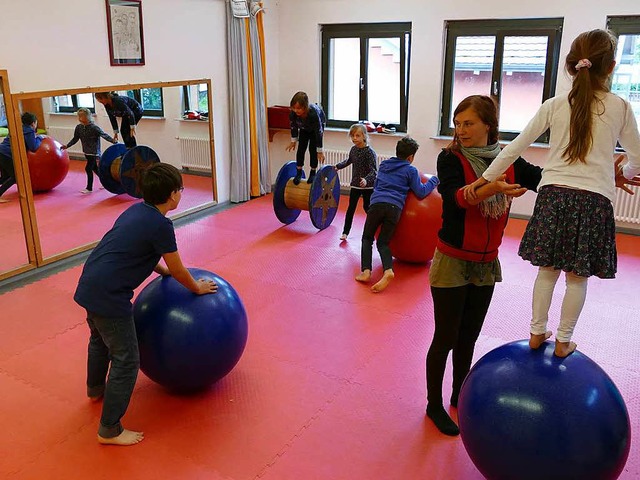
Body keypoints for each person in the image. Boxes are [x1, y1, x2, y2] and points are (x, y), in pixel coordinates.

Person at [464, 29, 640, 358]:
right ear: (612, 67)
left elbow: (514, 147)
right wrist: (621, 173)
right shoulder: (620, 107)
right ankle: (563, 341)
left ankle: (535, 332)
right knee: (577, 276)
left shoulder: (556, 105)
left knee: (547, 271)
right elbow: (638, 158)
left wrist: (483, 178)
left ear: (573, 66)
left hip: (554, 195)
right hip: (593, 199)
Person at [73, 163, 218, 446]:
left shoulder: (138, 211)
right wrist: (197, 288)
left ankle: (94, 390)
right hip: (110, 297)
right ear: (173, 195)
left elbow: (138, 250)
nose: (181, 193)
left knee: (99, 341)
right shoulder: (161, 224)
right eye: (181, 189)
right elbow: (178, 268)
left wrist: (161, 271)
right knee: (127, 360)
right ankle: (109, 430)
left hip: (90, 284)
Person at [426, 95, 543, 436]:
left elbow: (546, 180)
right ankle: (434, 405)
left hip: (486, 264)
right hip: (452, 260)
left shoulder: (509, 160)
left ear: (488, 125)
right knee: (445, 337)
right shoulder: (449, 159)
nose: (460, 130)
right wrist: (487, 187)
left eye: (469, 123)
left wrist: (591, 174)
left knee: (468, 338)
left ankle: (459, 395)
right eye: (457, 124)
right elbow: (454, 198)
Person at [357, 136, 439, 293]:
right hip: (394, 208)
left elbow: (378, 185)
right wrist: (434, 180)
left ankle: (366, 271)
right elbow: (421, 192)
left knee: (367, 238)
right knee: (383, 243)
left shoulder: (384, 165)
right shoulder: (410, 170)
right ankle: (388, 270)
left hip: (376, 205)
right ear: (411, 157)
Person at [334, 124, 378, 241]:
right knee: (351, 209)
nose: (354, 138)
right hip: (355, 184)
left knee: (367, 208)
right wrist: (338, 166)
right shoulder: (353, 150)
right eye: (352, 136)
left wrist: (366, 180)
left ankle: (373, 231)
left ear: (364, 136)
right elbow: (348, 161)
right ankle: (345, 232)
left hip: (368, 186)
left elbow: (374, 171)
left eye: (357, 136)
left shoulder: (370, 152)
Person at [61, 107, 117, 194]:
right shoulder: (79, 128)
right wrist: (67, 146)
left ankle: (89, 188)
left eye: (82, 116)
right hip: (86, 151)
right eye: (79, 116)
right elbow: (75, 139)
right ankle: (105, 182)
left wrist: (113, 141)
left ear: (88, 116)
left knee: (88, 168)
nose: (80, 118)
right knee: (95, 168)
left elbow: (104, 135)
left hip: (94, 152)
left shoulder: (94, 128)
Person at [0, 112, 43, 202]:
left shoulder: (17, 127)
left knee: (5, 177)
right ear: (33, 123)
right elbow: (33, 147)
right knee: (16, 177)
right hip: (7, 154)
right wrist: (40, 138)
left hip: (1, 151)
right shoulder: (29, 130)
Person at [285, 91, 326, 185]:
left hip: (316, 129)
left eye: (299, 108)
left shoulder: (313, 114)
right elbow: (293, 127)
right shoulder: (293, 114)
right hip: (304, 128)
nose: (296, 110)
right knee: (301, 149)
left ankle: (313, 172)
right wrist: (293, 141)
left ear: (305, 107)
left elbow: (319, 132)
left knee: (313, 149)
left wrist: (320, 150)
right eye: (294, 108)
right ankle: (299, 172)